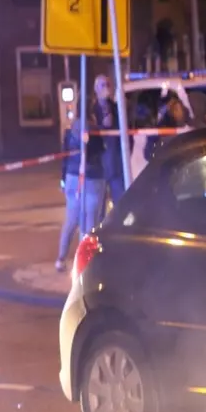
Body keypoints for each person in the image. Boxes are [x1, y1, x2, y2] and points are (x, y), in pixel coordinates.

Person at [55, 117, 106, 272]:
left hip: (72, 176)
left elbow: (65, 157)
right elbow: (99, 151)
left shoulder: (69, 133)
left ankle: (61, 258)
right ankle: (88, 263)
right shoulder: (96, 130)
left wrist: (63, 179)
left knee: (71, 219)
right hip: (92, 178)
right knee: (91, 222)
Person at [91, 74, 126, 205]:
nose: (106, 88)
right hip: (100, 159)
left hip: (114, 159)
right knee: (99, 202)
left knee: (119, 198)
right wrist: (105, 104)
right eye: (102, 85)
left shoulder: (115, 106)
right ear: (96, 89)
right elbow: (107, 123)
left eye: (108, 85)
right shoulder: (94, 108)